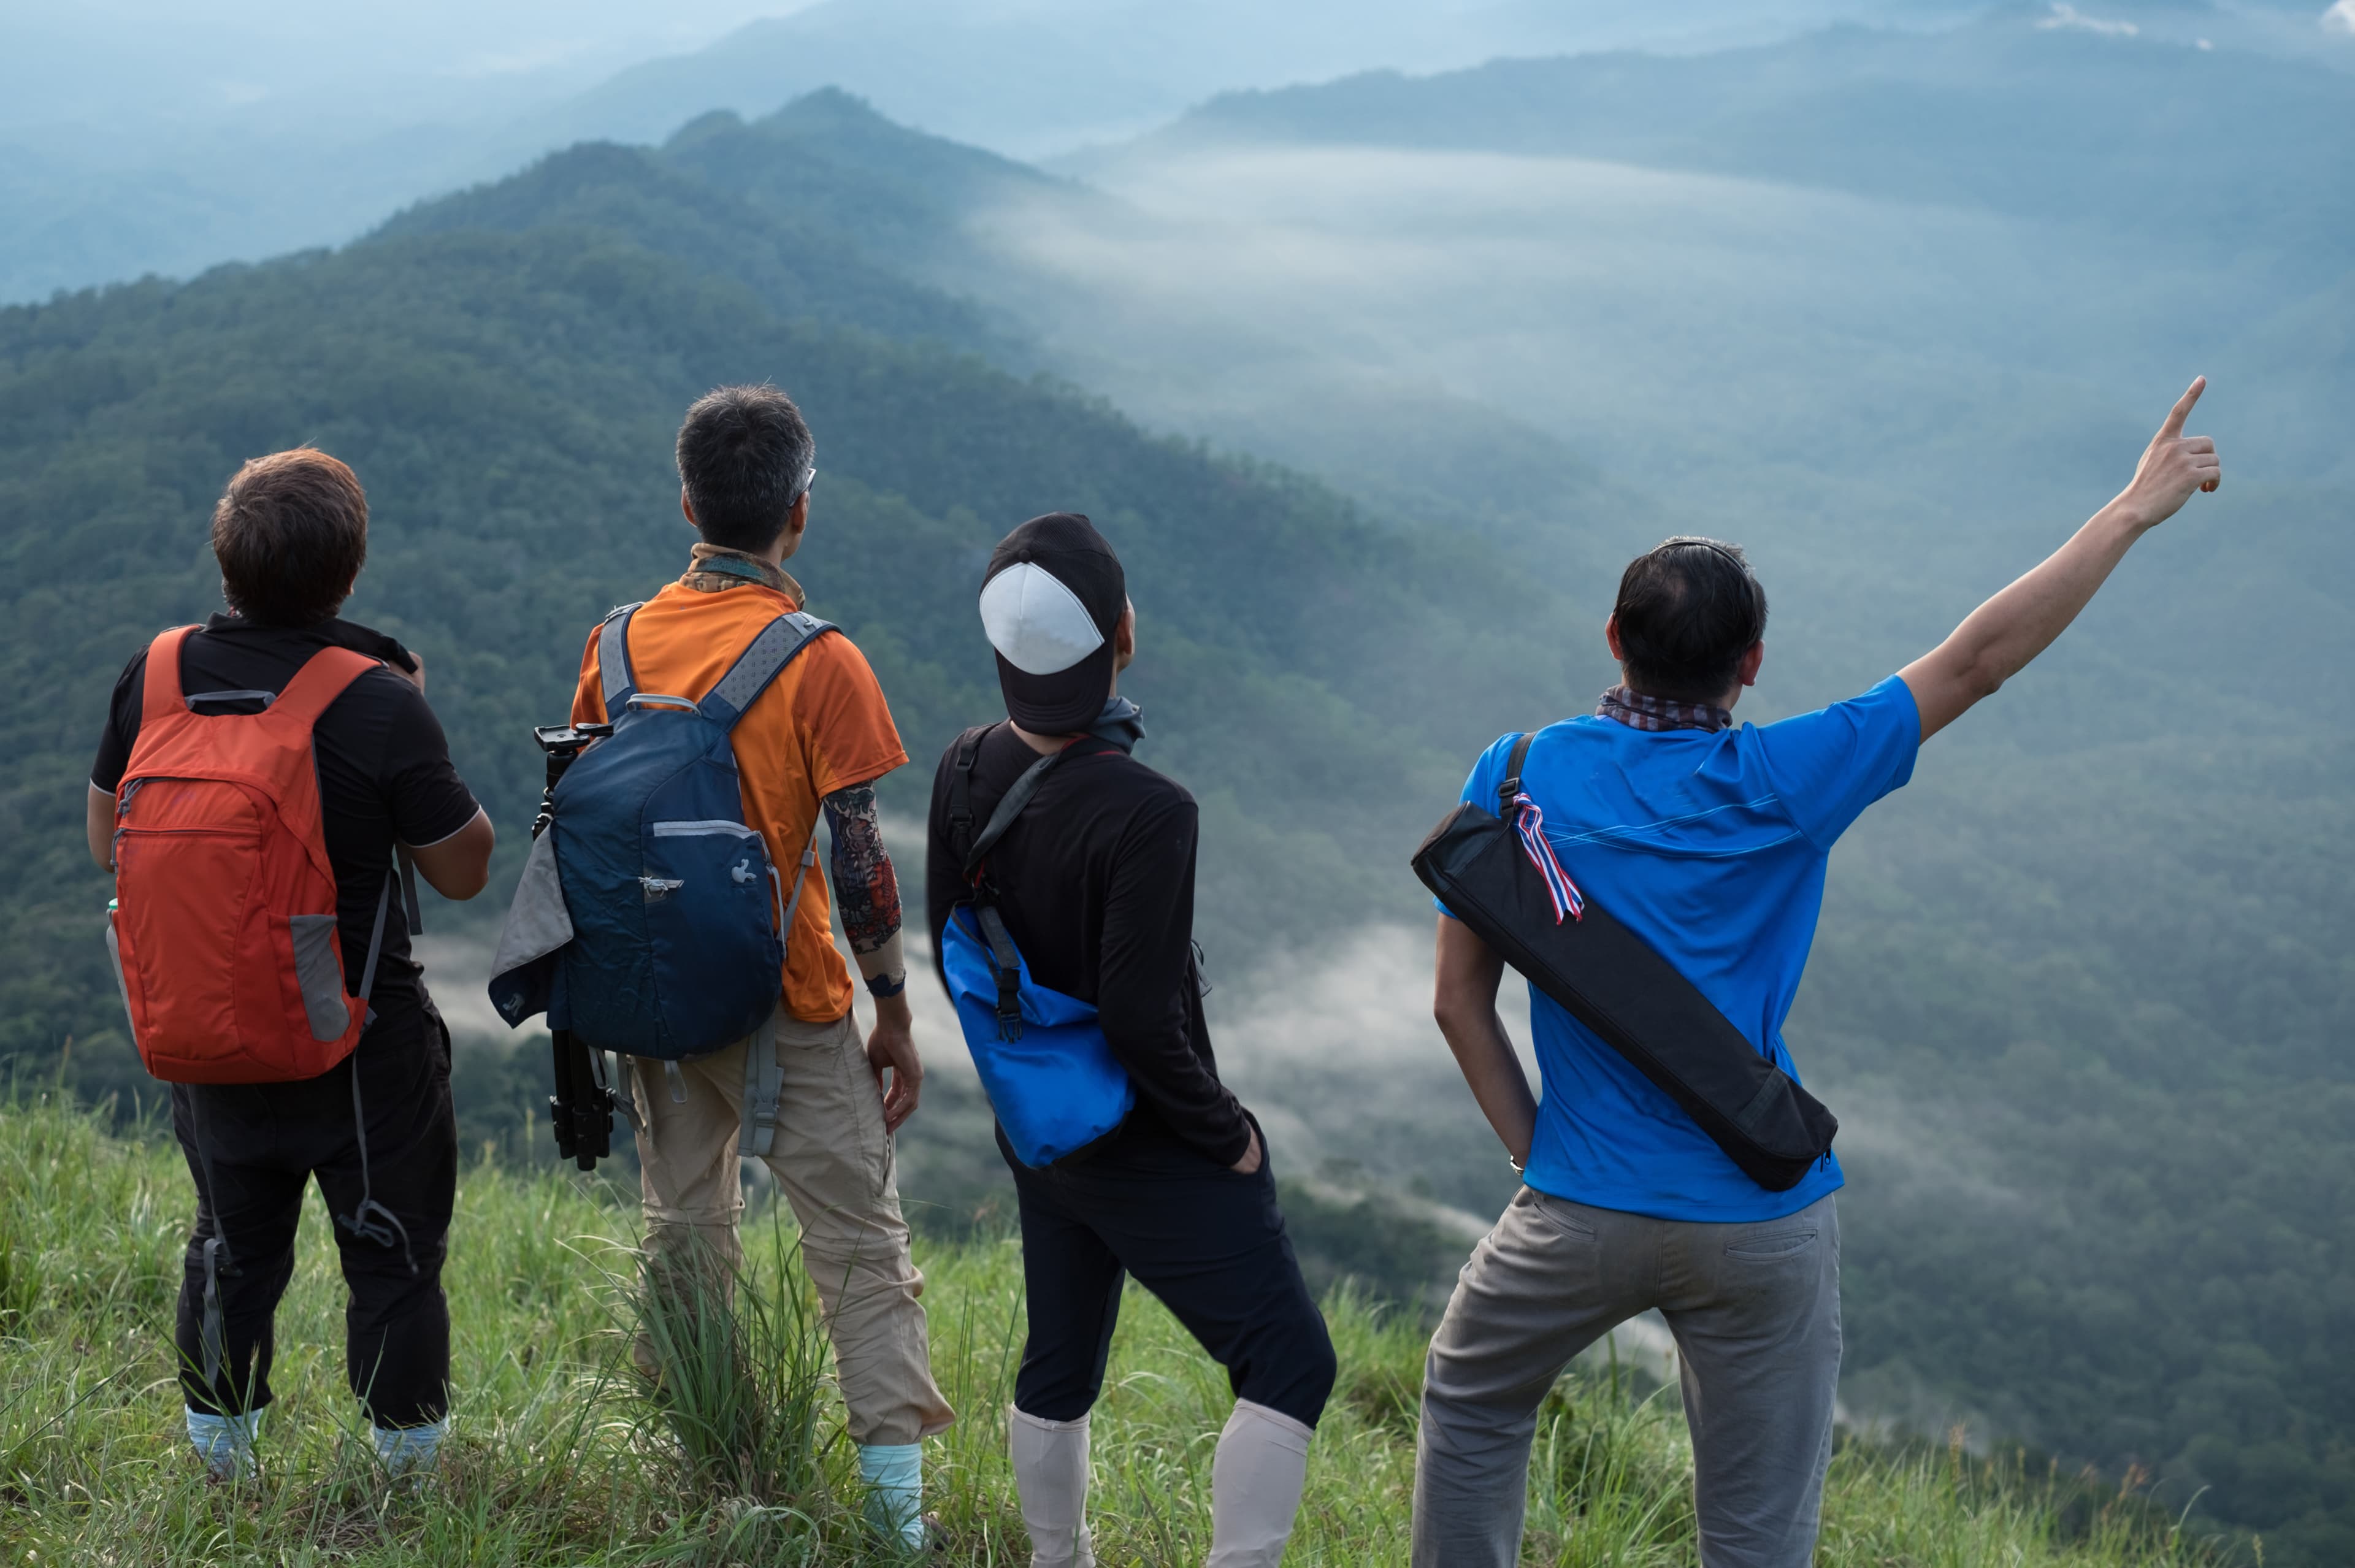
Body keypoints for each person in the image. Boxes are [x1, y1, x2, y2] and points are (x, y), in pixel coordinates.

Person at [1412, 381, 2224, 1567]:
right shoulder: (1795, 777)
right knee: (1756, 1534)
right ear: (1751, 664)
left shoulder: (1518, 771)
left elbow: (1456, 1001)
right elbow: (1980, 658)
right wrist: (2127, 512)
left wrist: (1543, 1156)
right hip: (1763, 1213)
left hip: (1577, 1205)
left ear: (1611, 640)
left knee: (1473, 1400)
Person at [565, 384, 952, 1544]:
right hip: (788, 1002)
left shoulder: (616, 642)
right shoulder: (822, 659)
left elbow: (586, 810)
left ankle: (707, 1472)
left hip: (653, 995)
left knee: (685, 1229)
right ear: (800, 512)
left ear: (688, 501)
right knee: (860, 1256)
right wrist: (891, 1004)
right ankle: (896, 1530)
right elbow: (860, 857)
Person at [924, 512, 1338, 1568]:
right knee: (1290, 1362)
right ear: (1123, 636)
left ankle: (1057, 1560)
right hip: (1144, 1132)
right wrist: (1227, 1130)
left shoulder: (965, 765)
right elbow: (1142, 1017)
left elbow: (949, 942)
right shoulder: (1150, 810)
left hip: (1042, 1124)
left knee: (1062, 1356)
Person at [85, 448, 496, 1480]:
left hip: (208, 1031)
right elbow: (463, 871)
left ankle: (222, 1471)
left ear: (226, 564)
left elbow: (107, 842)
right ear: (348, 573)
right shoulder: (375, 698)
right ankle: (406, 1485)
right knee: (393, 1260)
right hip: (360, 1044)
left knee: (229, 1248)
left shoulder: (157, 672)